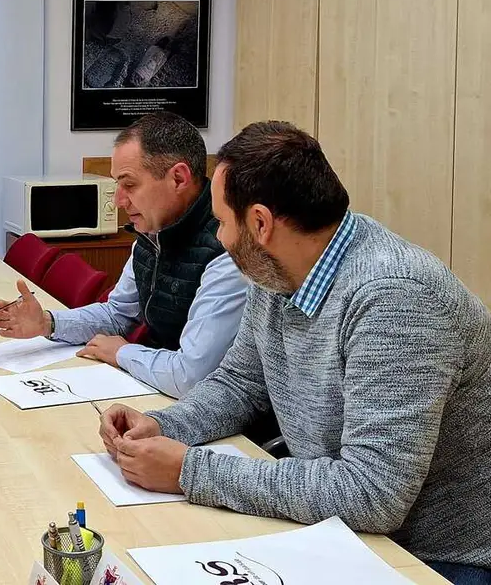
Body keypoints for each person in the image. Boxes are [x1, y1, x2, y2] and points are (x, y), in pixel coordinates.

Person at [99, 121, 491, 584]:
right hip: (341, 528)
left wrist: (189, 470)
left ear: (260, 223)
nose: (220, 239)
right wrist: (164, 426)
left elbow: (373, 493)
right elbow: (239, 383)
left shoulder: (394, 298)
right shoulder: (278, 268)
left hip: (430, 557)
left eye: (223, 222)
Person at [0, 112, 248, 398]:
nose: (118, 200)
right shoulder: (152, 233)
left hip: (203, 409)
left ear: (178, 178)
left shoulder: (227, 252)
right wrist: (48, 323)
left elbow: (191, 376)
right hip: (154, 390)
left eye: (129, 184)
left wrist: (123, 353)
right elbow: (118, 314)